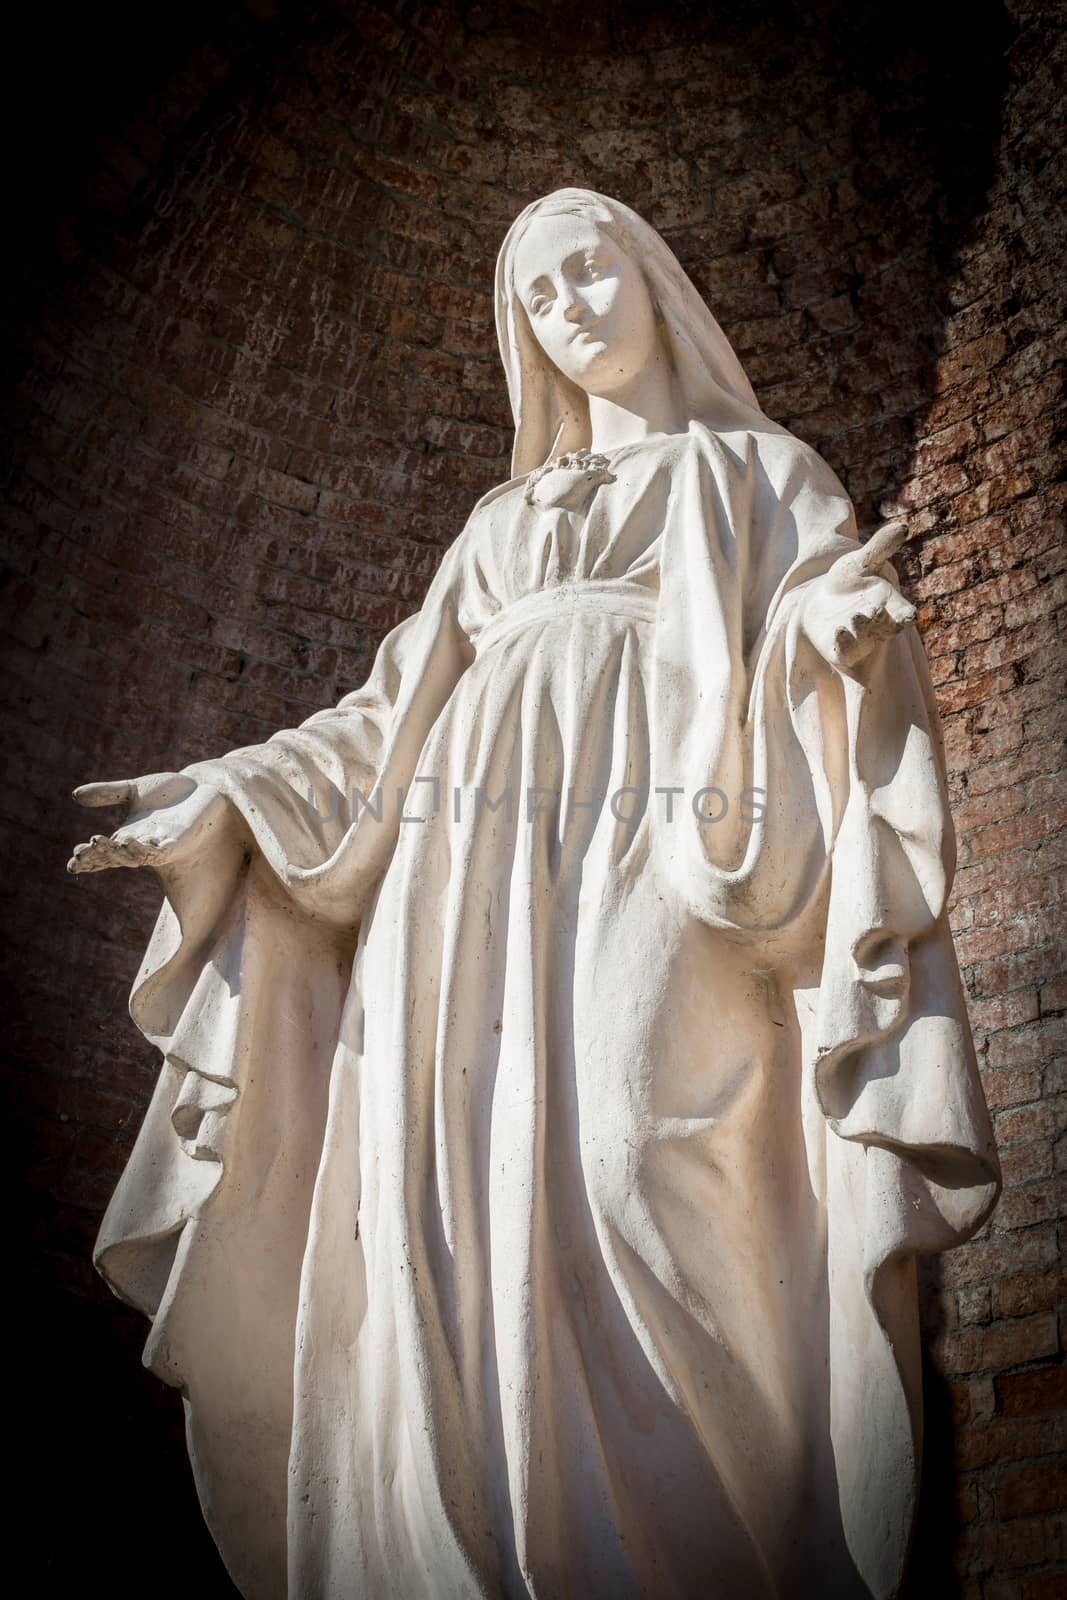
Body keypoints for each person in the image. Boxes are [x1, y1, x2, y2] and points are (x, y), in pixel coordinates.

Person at [70, 189, 998, 1600]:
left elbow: (803, 599)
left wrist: (829, 634)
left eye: (592, 273)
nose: (574, 309)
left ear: (656, 283)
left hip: (675, 840)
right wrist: (230, 797)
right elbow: (383, 722)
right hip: (464, 879)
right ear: (529, 344)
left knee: (635, 1153)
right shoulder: (498, 529)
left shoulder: (757, 472)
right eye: (542, 300)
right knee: (443, 1208)